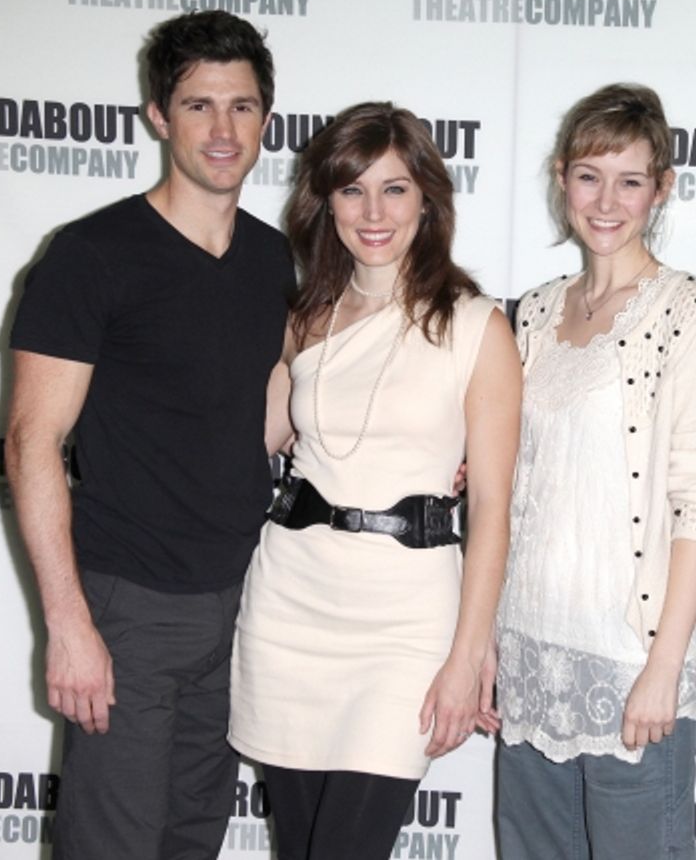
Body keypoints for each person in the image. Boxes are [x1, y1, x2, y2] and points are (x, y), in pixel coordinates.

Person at [5, 11, 292, 860]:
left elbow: (284, 418)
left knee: (191, 840)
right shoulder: (90, 255)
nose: (222, 130)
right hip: (128, 606)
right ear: (158, 116)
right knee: (111, 846)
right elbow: (31, 443)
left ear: (266, 119)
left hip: (241, 602)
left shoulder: (276, 261)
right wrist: (69, 623)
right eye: (198, 106)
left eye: (241, 107)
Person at [228, 101, 520, 860]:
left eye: (394, 188)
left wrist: (467, 653)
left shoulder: (476, 326)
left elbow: (491, 505)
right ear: (326, 200)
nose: (373, 211)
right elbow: (247, 443)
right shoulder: (306, 318)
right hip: (290, 606)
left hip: (404, 623)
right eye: (353, 190)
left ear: (427, 198)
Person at [495, 83, 696, 859]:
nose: (607, 200)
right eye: (589, 176)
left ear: (660, 189)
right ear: (562, 178)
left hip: (631, 661)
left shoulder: (687, 312)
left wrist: (665, 664)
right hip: (532, 651)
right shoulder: (531, 312)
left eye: (631, 180)